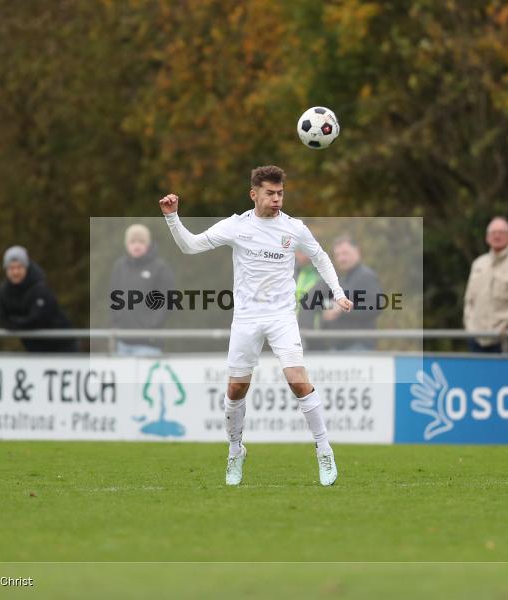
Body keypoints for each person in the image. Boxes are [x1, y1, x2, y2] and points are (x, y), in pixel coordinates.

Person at [159, 165, 353, 486]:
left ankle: (324, 448)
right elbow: (190, 246)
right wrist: (172, 217)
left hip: (281, 317)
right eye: (269, 193)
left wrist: (339, 293)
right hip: (247, 319)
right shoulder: (237, 227)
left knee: (298, 380)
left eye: (280, 193)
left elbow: (320, 257)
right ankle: (235, 450)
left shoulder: (294, 228)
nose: (276, 199)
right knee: (236, 389)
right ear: (254, 194)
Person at [463, 217, 508, 353]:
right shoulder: (478, 264)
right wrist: (470, 327)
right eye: (493, 232)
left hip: (507, 341)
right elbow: (469, 300)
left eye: (501, 232)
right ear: (487, 238)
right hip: (477, 339)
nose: (497, 236)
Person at [109, 224, 175, 356]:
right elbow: (113, 299)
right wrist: (116, 323)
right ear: (127, 244)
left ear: (148, 244)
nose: (136, 245)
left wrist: (151, 324)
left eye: (141, 241)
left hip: (149, 345)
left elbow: (168, 301)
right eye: (133, 241)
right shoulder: (119, 267)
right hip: (123, 343)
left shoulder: (160, 268)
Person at [0, 246, 77, 353]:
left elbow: (36, 321)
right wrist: (18, 323)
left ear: (26, 267)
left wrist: (14, 322)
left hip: (63, 347)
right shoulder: (3, 291)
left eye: (19, 267)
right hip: (34, 349)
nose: (15, 272)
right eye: (11, 268)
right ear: (6, 270)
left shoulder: (40, 289)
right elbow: (2, 319)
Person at [320, 235, 383, 351]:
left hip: (359, 346)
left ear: (357, 252)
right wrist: (326, 315)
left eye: (345, 253)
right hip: (338, 347)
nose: (341, 258)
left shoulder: (366, 276)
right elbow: (330, 308)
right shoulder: (342, 280)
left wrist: (343, 309)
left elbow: (377, 306)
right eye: (337, 255)